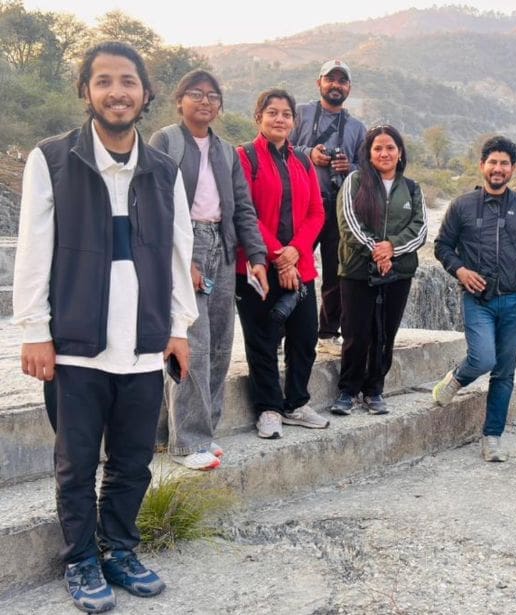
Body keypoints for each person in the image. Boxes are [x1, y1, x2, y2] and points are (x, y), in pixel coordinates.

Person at [12, 41, 197, 612]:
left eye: (128, 81)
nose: (117, 92)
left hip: (142, 343)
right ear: (86, 91)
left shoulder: (164, 169)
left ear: (146, 93)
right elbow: (34, 249)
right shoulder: (52, 159)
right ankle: (81, 559)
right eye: (104, 81)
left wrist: (179, 327)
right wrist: (34, 330)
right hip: (75, 344)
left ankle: (119, 549)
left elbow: (179, 252)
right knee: (75, 464)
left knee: (133, 461)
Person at [149, 70, 269, 471]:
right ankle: (188, 442)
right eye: (196, 94)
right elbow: (154, 204)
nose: (205, 101)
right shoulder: (166, 141)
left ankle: (198, 430)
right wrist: (183, 262)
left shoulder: (226, 151)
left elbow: (243, 207)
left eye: (213, 96)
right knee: (191, 345)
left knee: (219, 344)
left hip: (223, 244)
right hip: (185, 243)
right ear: (179, 100)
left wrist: (257, 257)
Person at [432, 136, 516, 462]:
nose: (498, 168)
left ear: (512, 169)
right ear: (482, 166)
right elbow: (442, 246)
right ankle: (457, 377)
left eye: (504, 163)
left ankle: (492, 437)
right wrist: (460, 271)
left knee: (504, 372)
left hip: (515, 301)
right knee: (483, 359)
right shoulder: (462, 205)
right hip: (478, 298)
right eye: (493, 162)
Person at [235, 88, 328, 440]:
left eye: (286, 114)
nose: (279, 119)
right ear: (258, 116)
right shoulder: (244, 157)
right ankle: (269, 408)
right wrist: (278, 255)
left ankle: (296, 403)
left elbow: (316, 212)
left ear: (294, 121)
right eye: (272, 112)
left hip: (299, 265)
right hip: (257, 266)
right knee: (261, 340)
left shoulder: (302, 160)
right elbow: (245, 212)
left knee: (304, 336)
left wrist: (295, 251)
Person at [329, 125, 427, 415]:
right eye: (378, 148)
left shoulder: (412, 188)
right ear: (369, 154)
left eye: (390, 148)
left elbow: (420, 229)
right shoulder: (355, 181)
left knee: (385, 333)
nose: (384, 153)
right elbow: (348, 224)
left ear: (400, 153)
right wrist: (377, 251)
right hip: (358, 270)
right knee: (355, 332)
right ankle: (348, 390)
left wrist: (392, 248)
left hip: (398, 273)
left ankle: (374, 390)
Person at [289, 59, 367, 351]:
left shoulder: (358, 128)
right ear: (318, 82)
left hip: (338, 207)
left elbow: (367, 169)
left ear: (349, 88)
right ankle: (284, 329)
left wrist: (350, 167)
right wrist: (309, 153)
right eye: (330, 79)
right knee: (293, 264)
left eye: (342, 81)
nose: (336, 85)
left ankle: (327, 333)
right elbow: (281, 145)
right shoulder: (300, 113)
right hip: (303, 205)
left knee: (335, 272)